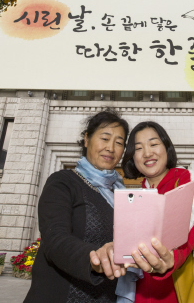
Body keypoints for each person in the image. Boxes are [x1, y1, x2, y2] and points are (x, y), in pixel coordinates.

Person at [24, 109, 129, 303]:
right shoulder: (63, 182)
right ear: (87, 139)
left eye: (119, 143)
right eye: (105, 138)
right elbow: (55, 239)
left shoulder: (121, 194)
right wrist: (94, 257)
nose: (111, 148)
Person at [121, 121, 194, 303]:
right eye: (139, 148)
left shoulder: (188, 180)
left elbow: (188, 228)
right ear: (133, 157)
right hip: (140, 294)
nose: (147, 153)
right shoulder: (136, 196)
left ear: (166, 147)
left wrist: (171, 259)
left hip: (185, 291)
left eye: (154, 144)